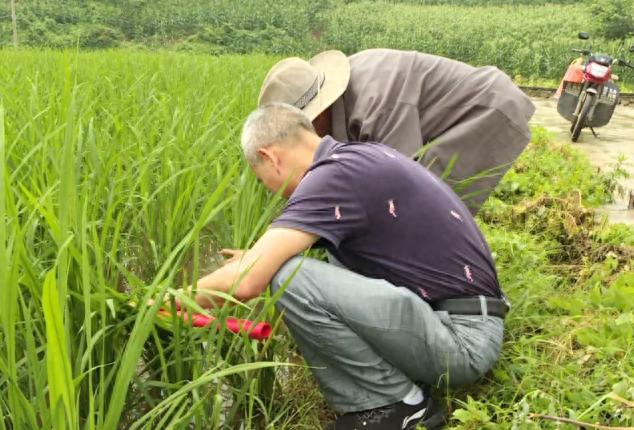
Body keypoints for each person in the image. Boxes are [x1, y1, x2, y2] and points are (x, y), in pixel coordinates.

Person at [167, 103, 509, 429]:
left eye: (260, 180)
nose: (270, 191)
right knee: (315, 258)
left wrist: (169, 300)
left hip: (462, 341)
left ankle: (398, 404)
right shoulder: (355, 159)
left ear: (269, 157)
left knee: (289, 276)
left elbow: (248, 282)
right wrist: (258, 257)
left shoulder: (332, 178)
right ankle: (395, 391)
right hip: (463, 320)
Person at [258, 49, 535, 215]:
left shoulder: (375, 106)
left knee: (426, 205)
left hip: (486, 110)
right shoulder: (348, 95)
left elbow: (397, 180)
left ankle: (448, 293)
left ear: (317, 112)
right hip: (461, 110)